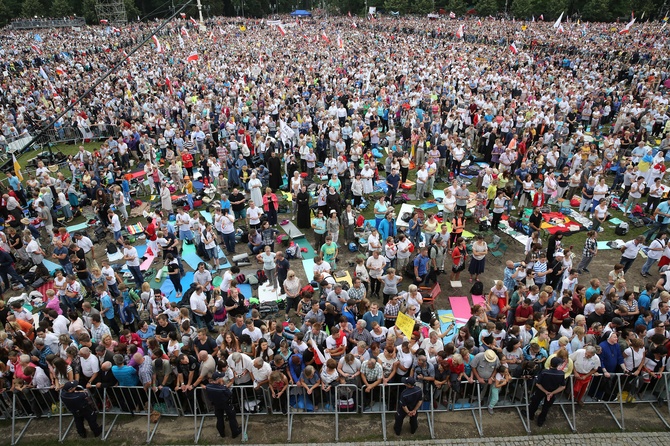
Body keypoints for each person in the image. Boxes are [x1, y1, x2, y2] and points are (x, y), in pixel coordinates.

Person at [526, 357, 567, 426]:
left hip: (541, 390)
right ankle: (541, 420)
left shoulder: (544, 372)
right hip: (552, 392)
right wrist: (551, 393)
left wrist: (546, 392)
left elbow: (538, 384)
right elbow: (562, 386)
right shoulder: (561, 374)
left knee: (535, 403)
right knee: (546, 407)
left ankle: (530, 415)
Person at [206, 369, 242, 439]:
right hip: (226, 404)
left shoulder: (208, 387)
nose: (222, 378)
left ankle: (222, 433)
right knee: (232, 418)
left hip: (216, 405)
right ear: (218, 379)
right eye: (221, 377)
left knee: (219, 418)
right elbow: (229, 394)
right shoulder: (222, 388)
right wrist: (222, 385)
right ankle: (235, 432)